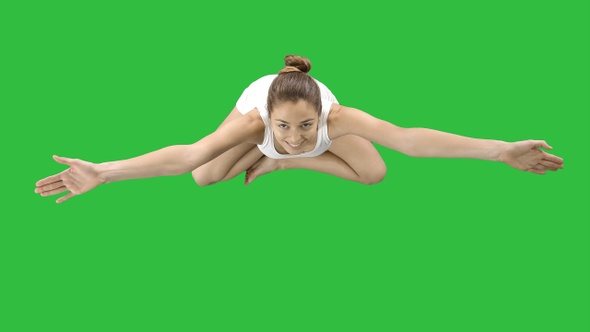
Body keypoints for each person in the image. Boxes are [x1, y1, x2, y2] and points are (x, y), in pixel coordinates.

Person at [35, 55, 564, 203]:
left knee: (375, 173)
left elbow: (409, 139)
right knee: (203, 177)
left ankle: (279, 167)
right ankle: (262, 158)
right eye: (284, 131)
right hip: (248, 124)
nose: (293, 132)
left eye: (304, 128)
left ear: (321, 117)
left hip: (301, 122)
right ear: (269, 118)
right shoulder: (254, 118)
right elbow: (189, 155)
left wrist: (499, 151)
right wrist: (104, 172)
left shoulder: (337, 118)